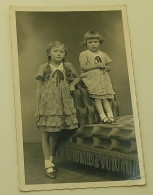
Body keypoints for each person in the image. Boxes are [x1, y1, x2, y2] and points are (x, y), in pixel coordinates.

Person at [34, 41, 80, 178]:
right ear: (49, 53)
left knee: (55, 132)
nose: (59, 53)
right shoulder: (44, 68)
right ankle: (47, 162)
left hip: (62, 103)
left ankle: (51, 159)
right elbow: (38, 89)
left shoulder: (67, 66)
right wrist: (37, 109)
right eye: (56, 51)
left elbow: (77, 78)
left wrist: (72, 84)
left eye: (62, 51)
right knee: (46, 133)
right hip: (47, 104)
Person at [79, 31, 115, 124]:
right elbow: (83, 67)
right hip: (91, 78)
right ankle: (103, 117)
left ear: (99, 42)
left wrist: (105, 68)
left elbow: (109, 67)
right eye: (90, 42)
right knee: (97, 98)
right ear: (85, 43)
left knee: (104, 98)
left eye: (95, 42)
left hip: (102, 79)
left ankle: (110, 116)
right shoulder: (84, 54)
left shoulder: (103, 54)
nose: (93, 44)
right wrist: (97, 66)